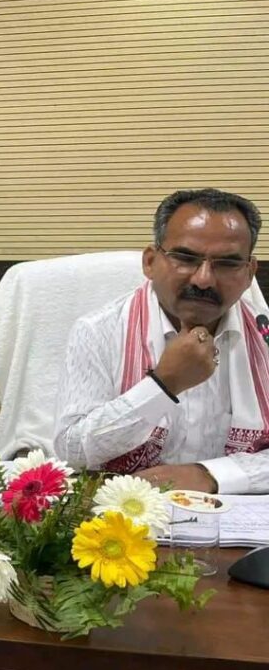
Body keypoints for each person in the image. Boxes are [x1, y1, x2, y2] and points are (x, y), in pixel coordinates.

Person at [55, 188, 269, 494]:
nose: (203, 279)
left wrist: (210, 475)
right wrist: (163, 385)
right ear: (150, 262)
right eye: (185, 258)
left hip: (238, 511)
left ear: (249, 273)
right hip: (123, 512)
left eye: (227, 264)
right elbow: (72, 450)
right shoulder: (98, 330)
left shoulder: (264, 335)